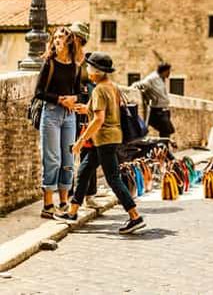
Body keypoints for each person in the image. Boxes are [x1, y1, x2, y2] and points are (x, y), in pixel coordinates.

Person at [55, 52, 146, 234]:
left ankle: (135, 216)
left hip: (104, 139)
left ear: (96, 71)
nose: (86, 69)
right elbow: (102, 109)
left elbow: (98, 119)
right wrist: (84, 108)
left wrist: (81, 141)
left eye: (89, 67)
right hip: (110, 137)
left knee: (113, 178)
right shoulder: (111, 87)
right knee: (85, 170)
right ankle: (72, 212)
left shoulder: (98, 90)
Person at [34, 26, 82, 219]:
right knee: (52, 159)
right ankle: (47, 205)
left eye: (61, 37)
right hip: (52, 114)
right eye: (55, 37)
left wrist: (74, 99)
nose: (57, 40)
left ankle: (63, 202)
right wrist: (60, 100)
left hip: (69, 116)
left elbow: (80, 92)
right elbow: (38, 92)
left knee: (68, 160)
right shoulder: (49, 63)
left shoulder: (75, 66)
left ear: (69, 42)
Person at [68, 21, 103, 208]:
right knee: (69, 151)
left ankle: (89, 195)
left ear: (80, 39)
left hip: (86, 109)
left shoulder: (89, 60)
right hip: (70, 109)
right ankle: (71, 193)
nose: (70, 39)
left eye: (73, 36)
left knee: (89, 151)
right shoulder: (65, 57)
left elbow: (96, 85)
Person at [132, 63, 174, 138]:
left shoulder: (161, 79)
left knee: (166, 132)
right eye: (168, 71)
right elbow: (140, 84)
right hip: (157, 110)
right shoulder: (152, 78)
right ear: (164, 71)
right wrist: (132, 88)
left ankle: (164, 147)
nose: (169, 74)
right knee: (167, 129)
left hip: (164, 110)